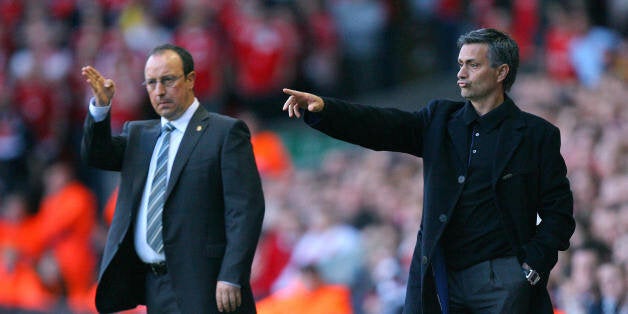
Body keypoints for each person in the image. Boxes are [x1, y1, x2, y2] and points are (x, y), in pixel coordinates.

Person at [282, 28, 575, 314]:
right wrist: (325, 109)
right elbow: (381, 126)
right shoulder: (439, 119)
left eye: (473, 65)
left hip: (504, 278)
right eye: (460, 64)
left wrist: (531, 268)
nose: (461, 73)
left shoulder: (537, 134)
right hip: (442, 276)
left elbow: (559, 212)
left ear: (501, 73)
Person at [81, 44, 265, 313]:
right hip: (155, 287)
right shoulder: (138, 135)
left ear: (190, 80)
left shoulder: (225, 132)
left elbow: (245, 210)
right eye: (151, 83)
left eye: (168, 80)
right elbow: (96, 155)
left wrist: (231, 274)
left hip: (208, 285)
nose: (159, 91)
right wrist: (100, 107)